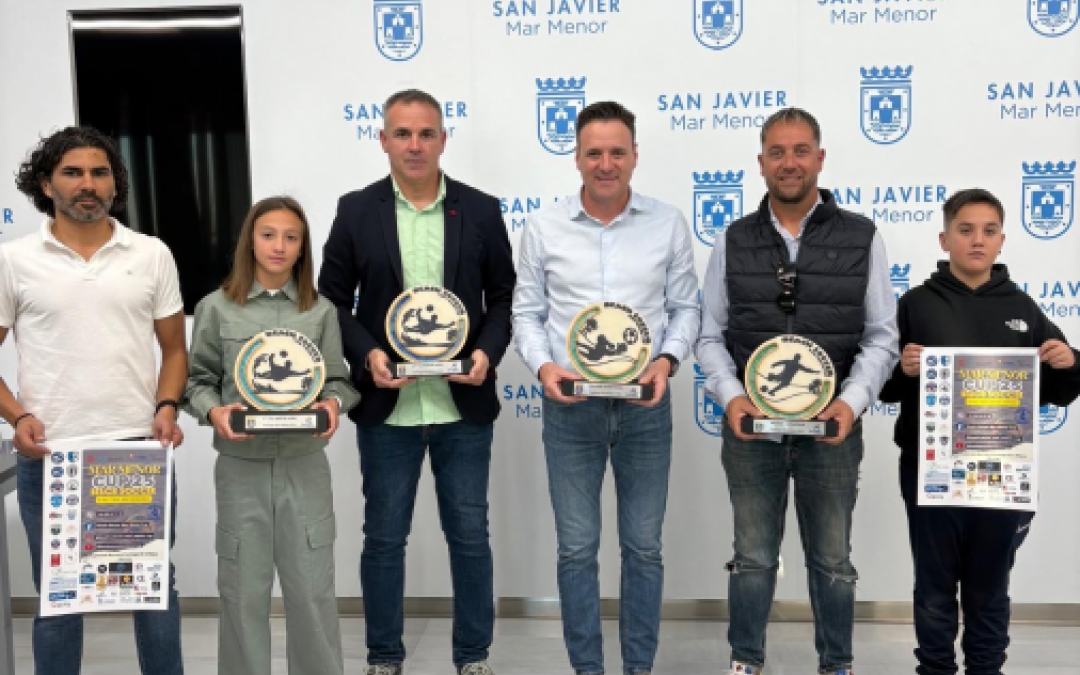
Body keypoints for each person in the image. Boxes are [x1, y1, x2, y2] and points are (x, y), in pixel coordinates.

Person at [694, 107, 899, 675]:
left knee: (833, 561)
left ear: (820, 158)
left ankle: (837, 666)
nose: (790, 163)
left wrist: (850, 404)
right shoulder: (732, 239)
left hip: (832, 433)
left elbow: (882, 336)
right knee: (753, 559)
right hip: (751, 432)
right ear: (761, 162)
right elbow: (709, 335)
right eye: (778, 152)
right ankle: (745, 662)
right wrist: (732, 396)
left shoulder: (862, 236)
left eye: (801, 150)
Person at [318, 89, 515, 675]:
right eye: (402, 133)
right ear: (382, 139)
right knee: (384, 539)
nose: (414, 145)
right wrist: (368, 355)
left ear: (443, 140)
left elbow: (504, 298)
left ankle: (473, 657)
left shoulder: (481, 209)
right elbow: (332, 301)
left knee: (470, 537)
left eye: (426, 133)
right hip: (389, 407)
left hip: (462, 404)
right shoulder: (356, 210)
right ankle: (384, 657)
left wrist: (486, 353)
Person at [513, 100, 700, 675]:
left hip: (646, 408)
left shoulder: (668, 222)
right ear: (576, 157)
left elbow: (685, 309)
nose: (606, 164)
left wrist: (666, 361)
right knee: (576, 550)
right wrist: (545, 369)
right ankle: (587, 669)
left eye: (617, 152)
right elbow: (527, 314)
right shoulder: (543, 227)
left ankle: (638, 668)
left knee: (643, 548)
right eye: (594, 152)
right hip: (571, 410)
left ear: (635, 156)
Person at [0, 126, 187, 674]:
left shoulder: (151, 254)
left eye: (100, 172)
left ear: (114, 183)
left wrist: (166, 406)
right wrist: (18, 416)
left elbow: (174, 350)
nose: (88, 184)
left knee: (153, 591)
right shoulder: (13, 260)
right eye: (73, 172)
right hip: (51, 455)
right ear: (46, 184)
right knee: (59, 599)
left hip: (136, 451)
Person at [878, 188, 1080, 675]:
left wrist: (1070, 361)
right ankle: (935, 669)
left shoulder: (1024, 308)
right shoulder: (915, 304)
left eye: (989, 231)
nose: (977, 240)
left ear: (1002, 240)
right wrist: (902, 370)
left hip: (1001, 474)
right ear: (944, 238)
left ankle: (986, 670)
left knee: (989, 587)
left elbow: (1060, 392)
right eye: (965, 230)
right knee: (934, 585)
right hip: (930, 470)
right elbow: (881, 387)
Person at [184, 196, 359, 675]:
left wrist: (332, 404)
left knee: (312, 591)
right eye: (268, 235)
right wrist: (214, 411)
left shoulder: (319, 311)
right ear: (250, 241)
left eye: (291, 237)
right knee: (242, 592)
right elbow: (196, 382)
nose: (279, 246)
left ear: (302, 247)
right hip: (240, 469)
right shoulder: (215, 308)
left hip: (305, 464)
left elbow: (339, 382)